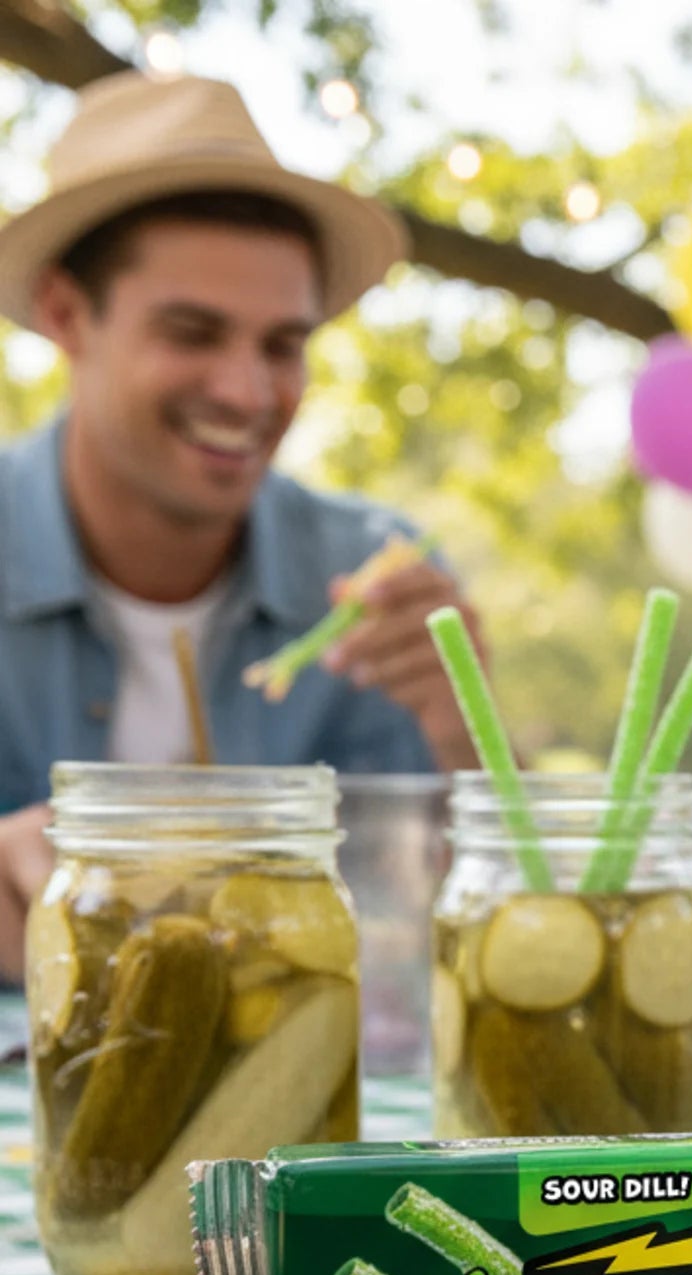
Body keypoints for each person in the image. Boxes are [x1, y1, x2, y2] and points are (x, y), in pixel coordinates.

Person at [0, 71, 484, 980]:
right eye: (192, 333)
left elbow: (446, 941)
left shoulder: (375, 589)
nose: (247, 393)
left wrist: (469, 744)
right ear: (67, 315)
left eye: (281, 346)